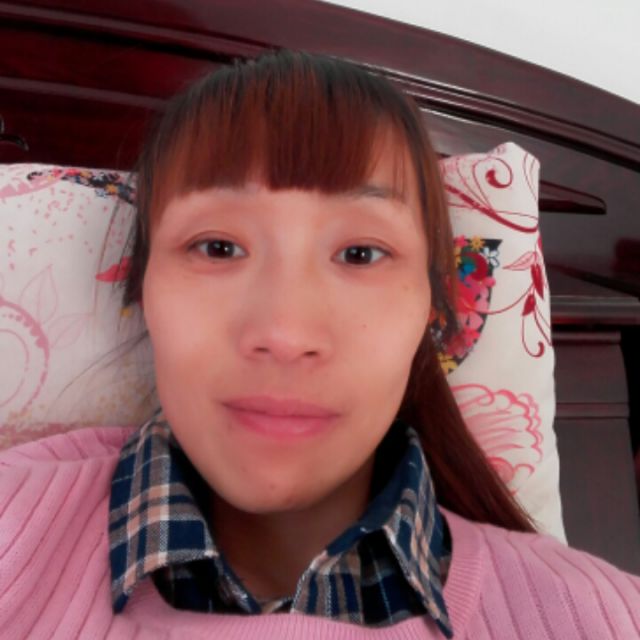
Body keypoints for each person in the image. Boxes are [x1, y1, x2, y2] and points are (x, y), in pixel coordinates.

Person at [0, 50, 638, 640]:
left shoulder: (602, 619)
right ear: (142, 288)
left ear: (433, 306)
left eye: (360, 253)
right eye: (218, 247)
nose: (285, 335)